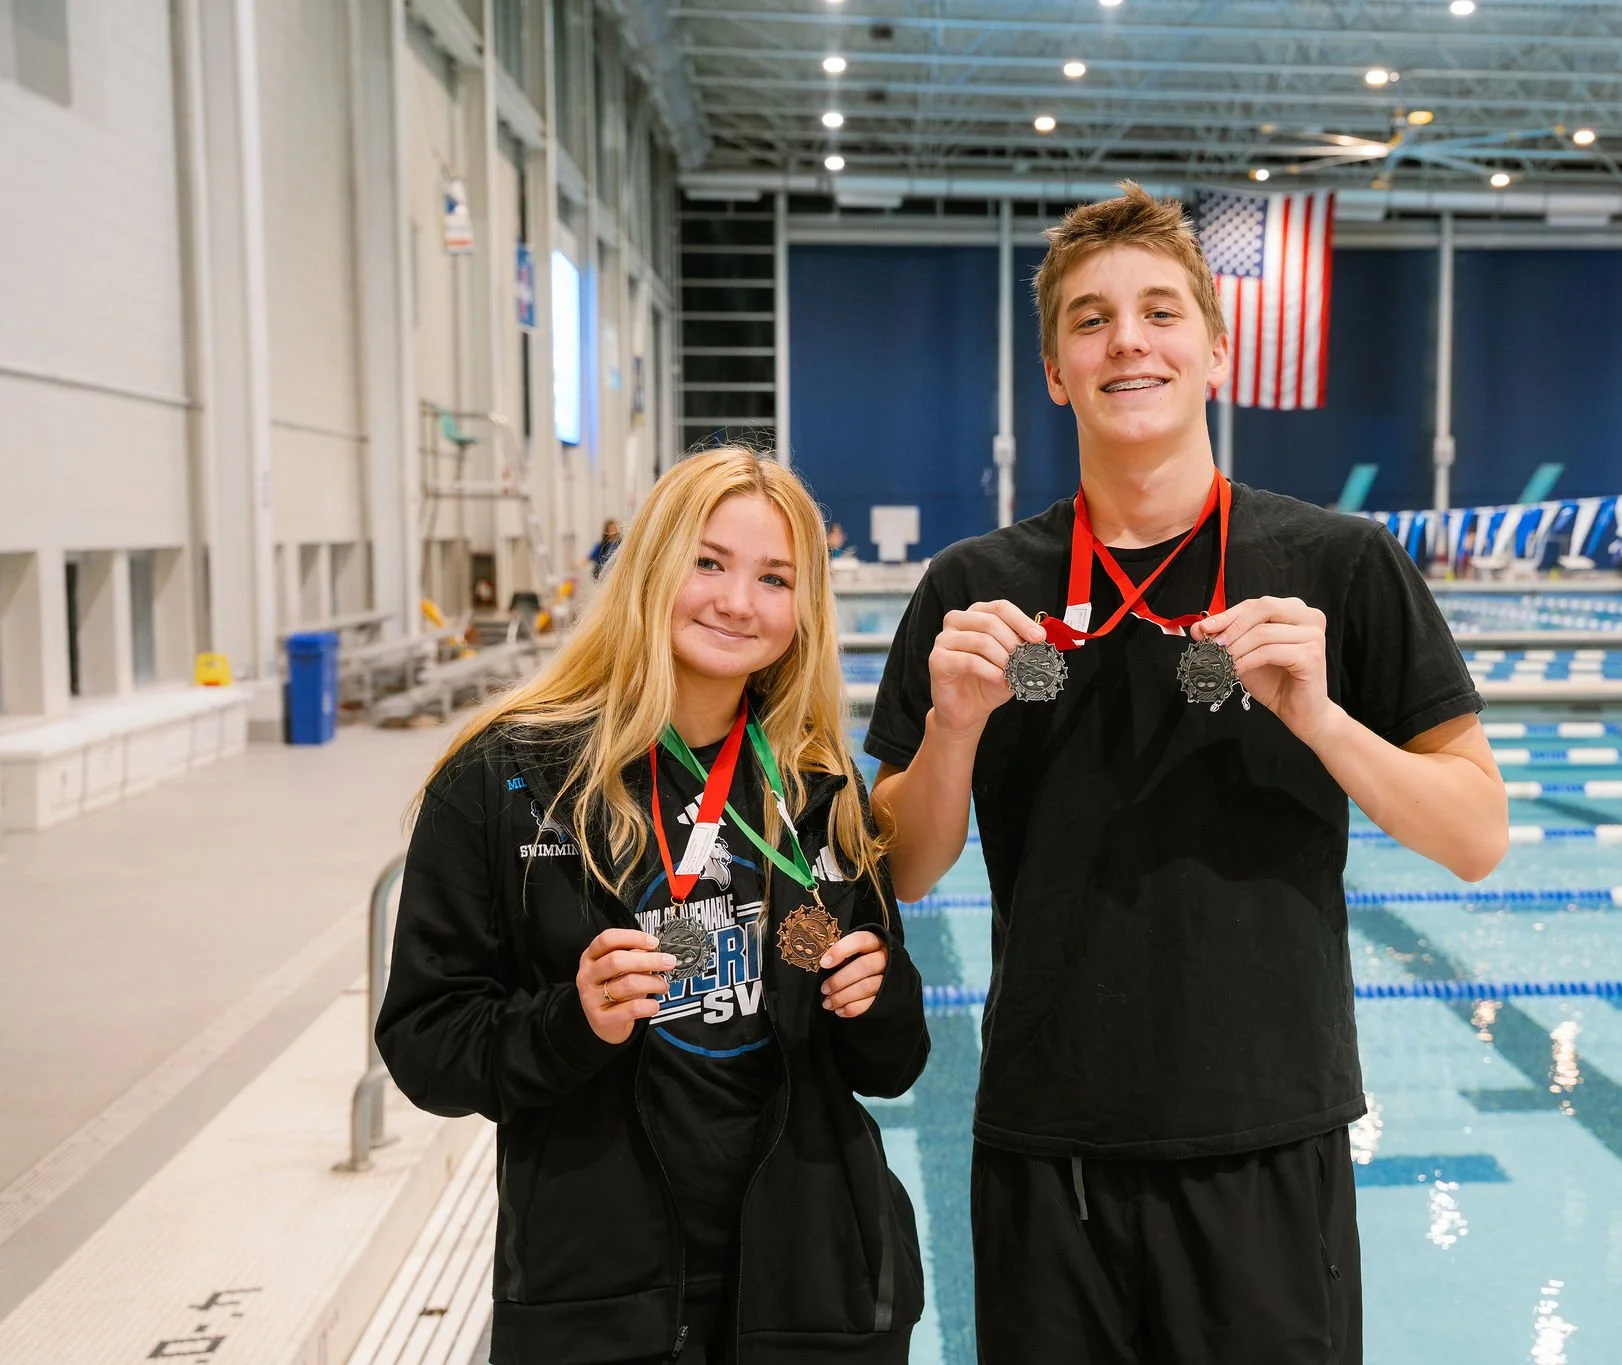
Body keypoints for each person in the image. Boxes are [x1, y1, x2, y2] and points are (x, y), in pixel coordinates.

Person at [864, 183, 1508, 1364]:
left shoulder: (1342, 565)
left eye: (1159, 312)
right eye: (1090, 319)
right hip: (1046, 1138)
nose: (1127, 342)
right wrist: (950, 728)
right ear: (1055, 369)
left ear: (1214, 351)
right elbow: (902, 870)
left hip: (1263, 1132)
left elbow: (1475, 834)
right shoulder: (972, 588)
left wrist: (1321, 720)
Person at [378, 448, 928, 1365]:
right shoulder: (507, 780)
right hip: (601, 1298)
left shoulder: (817, 790)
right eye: (707, 562)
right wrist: (570, 1021)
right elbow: (426, 1042)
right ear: (651, 567)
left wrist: (880, 994)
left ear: (803, 611)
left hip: (813, 1295)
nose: (736, 601)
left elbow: (892, 1064)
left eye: (774, 577)